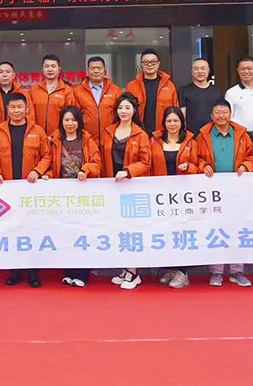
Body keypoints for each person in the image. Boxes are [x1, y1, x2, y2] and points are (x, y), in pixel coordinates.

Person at [0, 93, 51, 288]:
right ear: (7, 110)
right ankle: (14, 271)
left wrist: (37, 171)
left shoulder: (37, 131)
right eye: (13, 108)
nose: (16, 111)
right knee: (11, 230)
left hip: (30, 190)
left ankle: (33, 272)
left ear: (27, 109)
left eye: (20, 107)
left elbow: (47, 156)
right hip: (7, 189)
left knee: (32, 230)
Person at [192, 98, 253, 288]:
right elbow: (196, 158)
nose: (221, 116)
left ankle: (237, 271)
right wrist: (203, 165)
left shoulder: (242, 135)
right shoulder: (203, 136)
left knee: (237, 228)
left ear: (230, 114)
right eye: (217, 112)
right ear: (211, 115)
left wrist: (246, 165)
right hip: (213, 190)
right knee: (215, 229)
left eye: (224, 112)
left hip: (237, 189)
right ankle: (216, 271)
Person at [101, 94, 152, 290]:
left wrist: (129, 171)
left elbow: (146, 162)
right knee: (118, 229)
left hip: (132, 188)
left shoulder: (140, 134)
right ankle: (125, 268)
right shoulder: (108, 131)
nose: (124, 111)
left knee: (132, 229)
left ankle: (133, 272)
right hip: (112, 186)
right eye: (121, 107)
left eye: (128, 108)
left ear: (134, 111)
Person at [46, 106, 101, 288]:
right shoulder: (55, 141)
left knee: (82, 234)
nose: (70, 124)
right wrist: (46, 174)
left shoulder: (86, 140)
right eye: (66, 120)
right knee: (65, 232)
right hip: (62, 194)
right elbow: (49, 162)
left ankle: (82, 274)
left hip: (82, 193)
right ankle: (69, 272)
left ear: (79, 122)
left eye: (73, 120)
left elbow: (97, 163)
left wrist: (86, 170)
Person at [150, 107, 196, 290]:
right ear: (164, 123)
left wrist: (189, 167)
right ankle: (171, 267)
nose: (172, 124)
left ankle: (183, 272)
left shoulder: (190, 141)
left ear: (182, 123)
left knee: (181, 232)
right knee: (165, 231)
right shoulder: (154, 141)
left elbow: (199, 164)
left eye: (176, 120)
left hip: (183, 196)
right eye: (169, 121)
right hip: (161, 194)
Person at [125, 48, 179, 136]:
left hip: (163, 134)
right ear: (141, 65)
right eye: (146, 62)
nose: (149, 65)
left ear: (158, 64)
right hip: (137, 134)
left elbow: (175, 111)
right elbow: (126, 111)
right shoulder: (132, 86)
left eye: (153, 62)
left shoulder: (169, 86)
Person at [0, 61, 35, 139]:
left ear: (14, 75)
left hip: (19, 138)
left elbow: (30, 118)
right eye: (1, 72)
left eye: (8, 72)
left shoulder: (24, 95)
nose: (4, 75)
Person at [72, 56, 121, 140]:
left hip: (111, 138)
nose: (96, 71)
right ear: (87, 71)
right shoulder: (77, 91)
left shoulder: (115, 90)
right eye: (92, 68)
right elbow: (74, 116)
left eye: (99, 68)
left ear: (105, 70)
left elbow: (120, 115)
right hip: (87, 139)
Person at [28, 54, 76, 135]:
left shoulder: (67, 91)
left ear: (59, 69)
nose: (50, 69)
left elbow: (70, 117)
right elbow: (29, 115)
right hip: (38, 136)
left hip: (60, 137)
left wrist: (57, 135)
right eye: (47, 66)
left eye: (53, 66)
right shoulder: (33, 90)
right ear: (43, 69)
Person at [177, 59, 217, 131]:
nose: (200, 71)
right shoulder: (184, 91)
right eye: (196, 69)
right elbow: (182, 115)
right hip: (191, 134)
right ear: (192, 71)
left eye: (203, 68)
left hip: (213, 133)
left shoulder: (217, 91)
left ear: (208, 70)